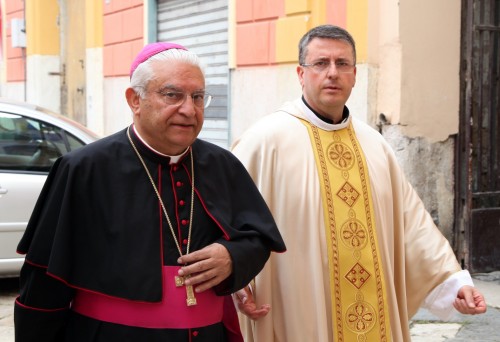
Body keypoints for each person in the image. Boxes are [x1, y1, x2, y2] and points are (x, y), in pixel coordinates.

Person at [14, 42, 286, 342]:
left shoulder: (221, 164)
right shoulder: (82, 168)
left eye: (197, 97)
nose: (188, 108)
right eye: (172, 95)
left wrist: (232, 256)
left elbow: (258, 236)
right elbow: (43, 282)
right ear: (135, 100)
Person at [231, 25, 487, 341]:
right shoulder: (265, 141)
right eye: (320, 63)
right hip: (301, 312)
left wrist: (453, 282)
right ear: (301, 73)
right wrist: (237, 279)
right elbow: (228, 218)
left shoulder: (374, 145)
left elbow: (412, 224)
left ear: (355, 75)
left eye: (342, 64)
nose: (332, 73)